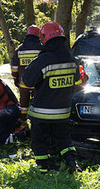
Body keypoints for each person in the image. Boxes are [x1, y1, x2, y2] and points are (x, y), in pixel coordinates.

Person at [20, 21, 81, 173]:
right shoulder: (71, 60)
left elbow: (26, 81)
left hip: (41, 113)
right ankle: (72, 162)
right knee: (64, 140)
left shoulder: (43, 60)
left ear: (44, 39)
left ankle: (44, 167)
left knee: (39, 141)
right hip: (62, 113)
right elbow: (78, 83)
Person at [10, 25, 43, 123]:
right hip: (38, 83)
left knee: (23, 104)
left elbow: (14, 67)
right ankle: (36, 121)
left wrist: (15, 79)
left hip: (23, 82)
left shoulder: (20, 49)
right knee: (37, 102)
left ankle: (22, 122)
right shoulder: (41, 48)